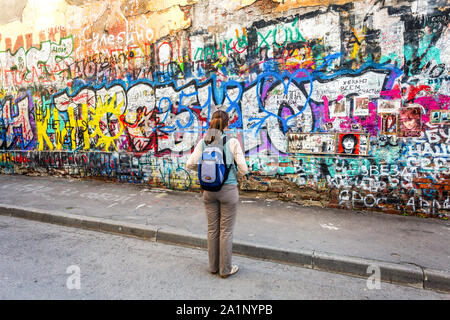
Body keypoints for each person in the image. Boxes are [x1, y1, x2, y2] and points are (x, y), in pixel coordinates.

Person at [186, 110, 248, 278]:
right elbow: (244, 169)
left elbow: (189, 164)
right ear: (227, 124)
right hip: (228, 191)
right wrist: (235, 173)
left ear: (211, 123)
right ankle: (225, 269)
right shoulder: (232, 142)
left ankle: (213, 267)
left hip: (209, 191)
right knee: (226, 231)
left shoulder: (204, 142)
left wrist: (205, 172)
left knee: (212, 229)